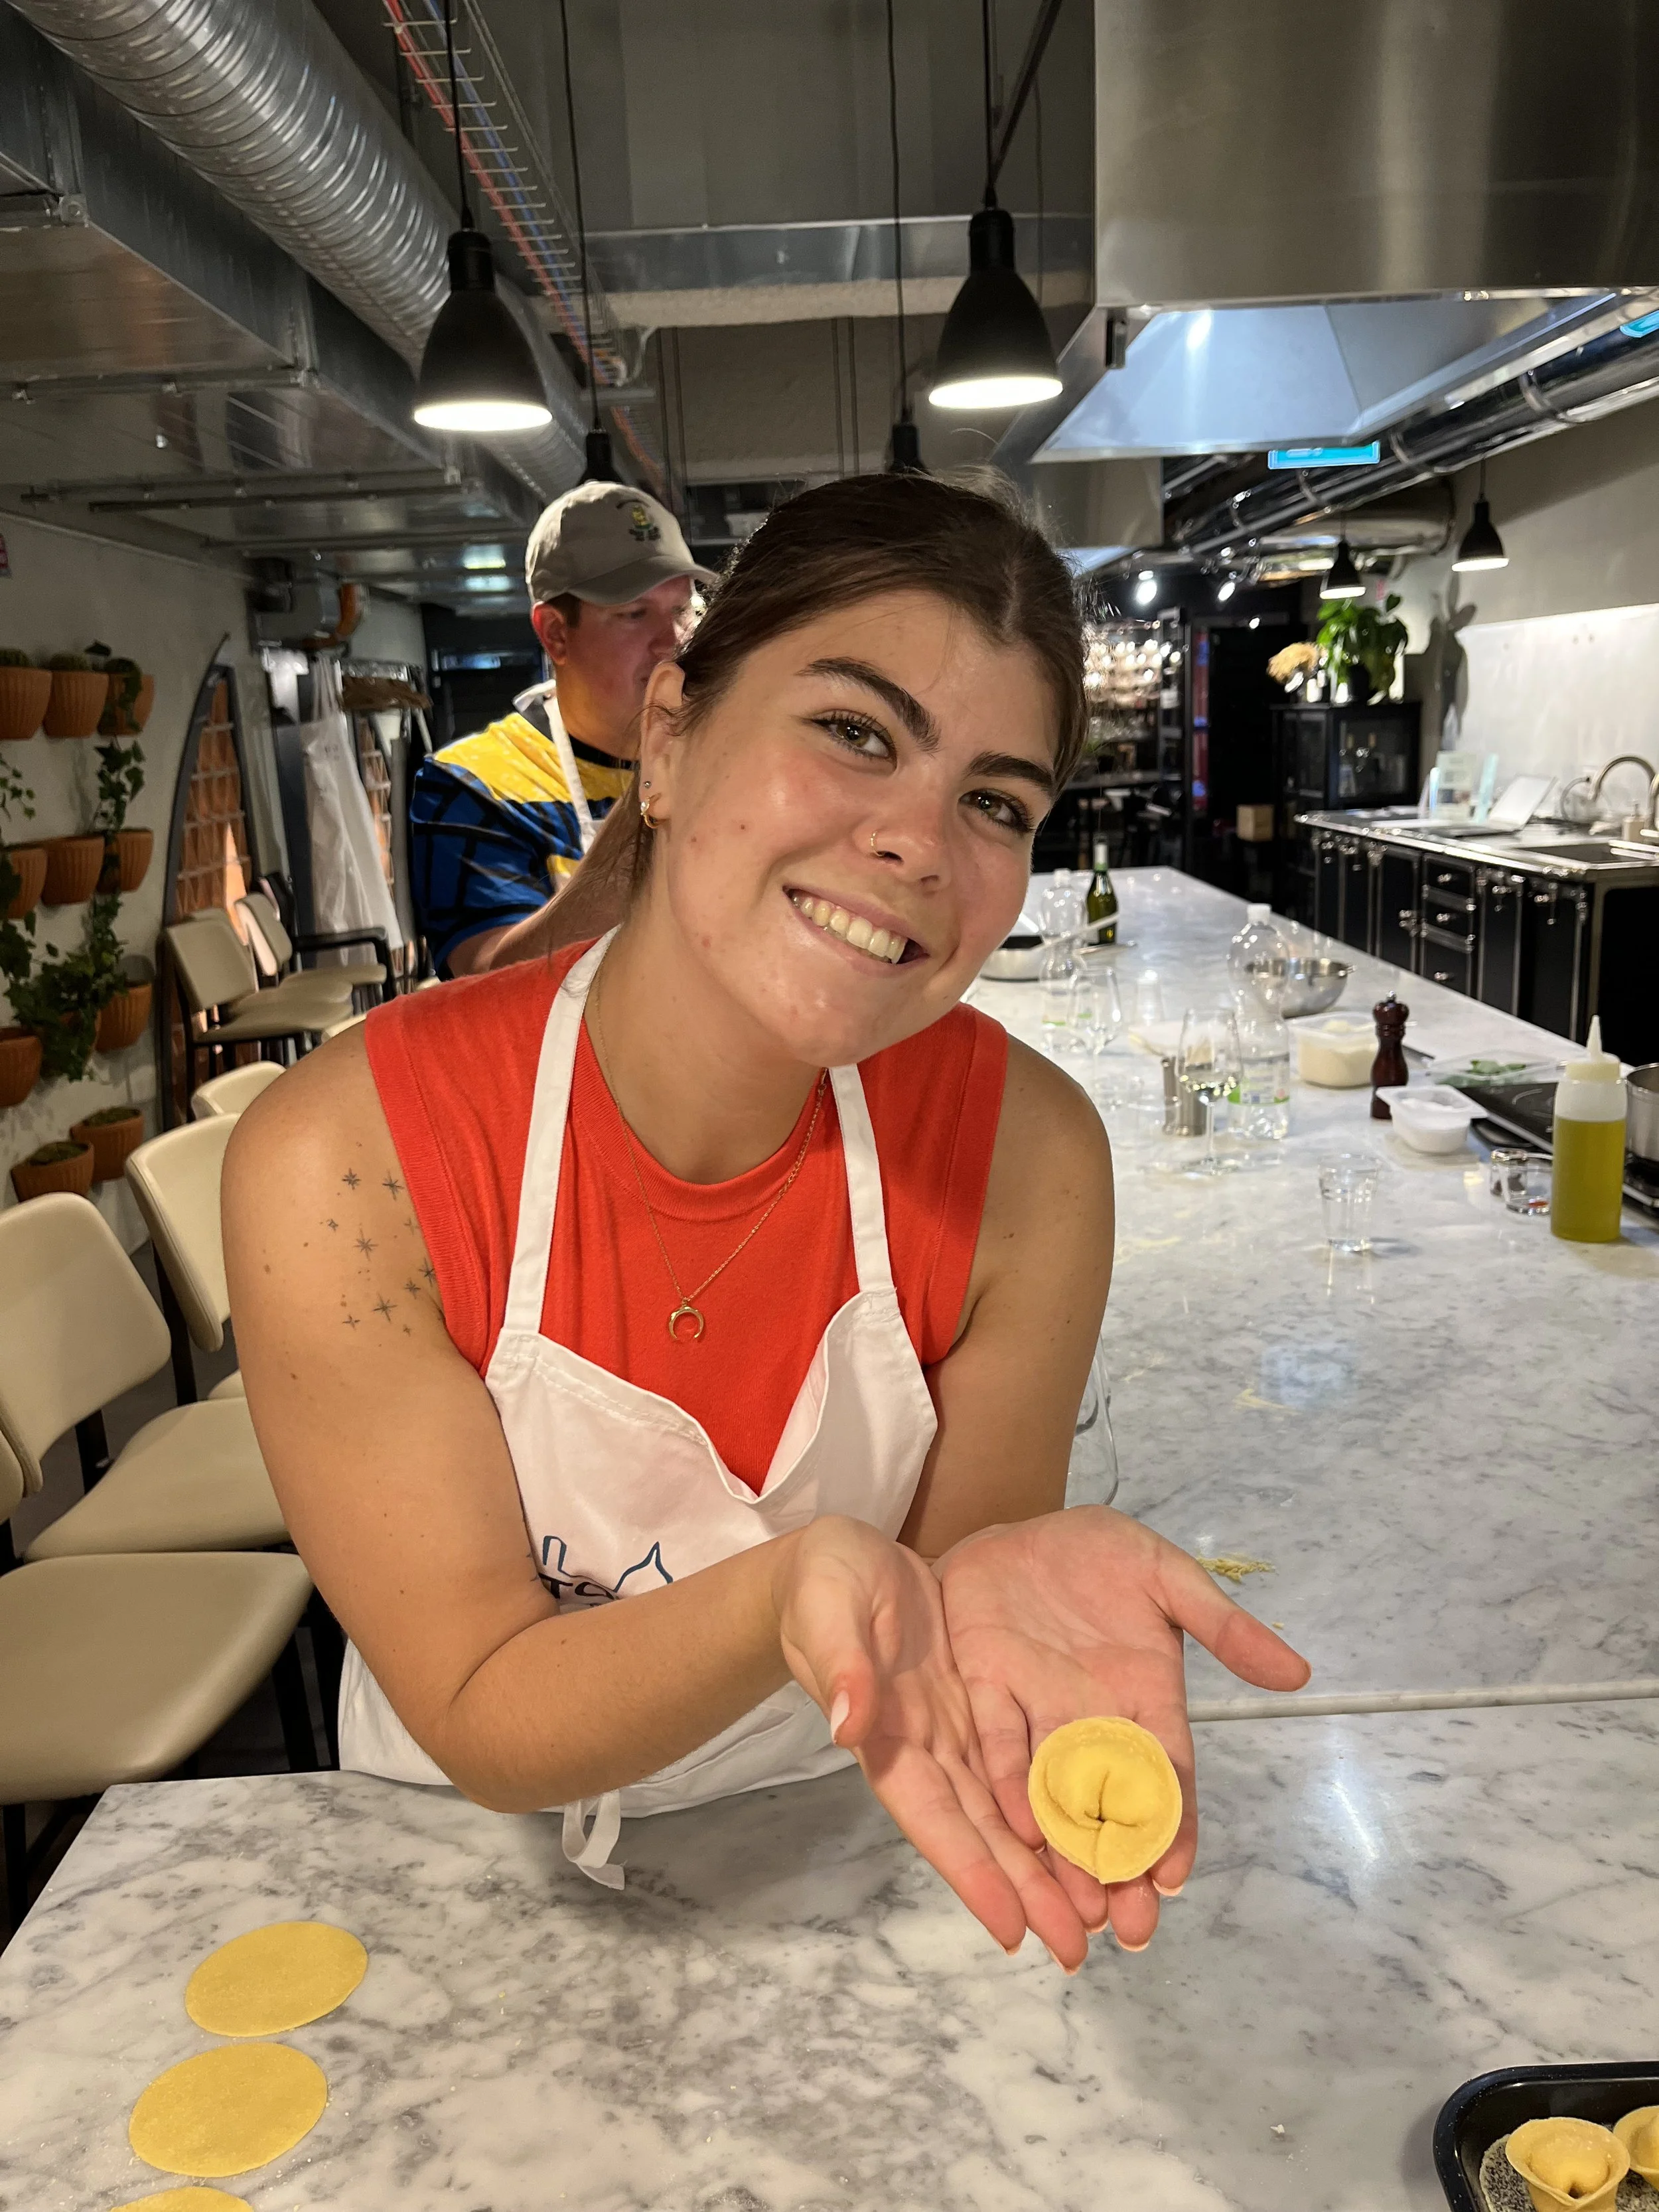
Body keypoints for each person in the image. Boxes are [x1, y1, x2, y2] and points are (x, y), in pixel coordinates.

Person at [224, 473, 1308, 1970]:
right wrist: (788, 1590)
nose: (921, 845)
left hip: (846, 1850)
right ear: (666, 738)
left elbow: (947, 1621)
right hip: (468, 1892)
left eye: (994, 801)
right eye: (855, 731)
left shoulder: (1025, 1162)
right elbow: (478, 1700)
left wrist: (984, 1606)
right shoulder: (351, 1159)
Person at [410, 480, 710, 977]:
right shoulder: (471, 784)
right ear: (555, 634)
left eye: (682, 611)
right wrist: (659, 788)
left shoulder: (725, 758)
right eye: (634, 614)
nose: (671, 643)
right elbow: (487, 984)